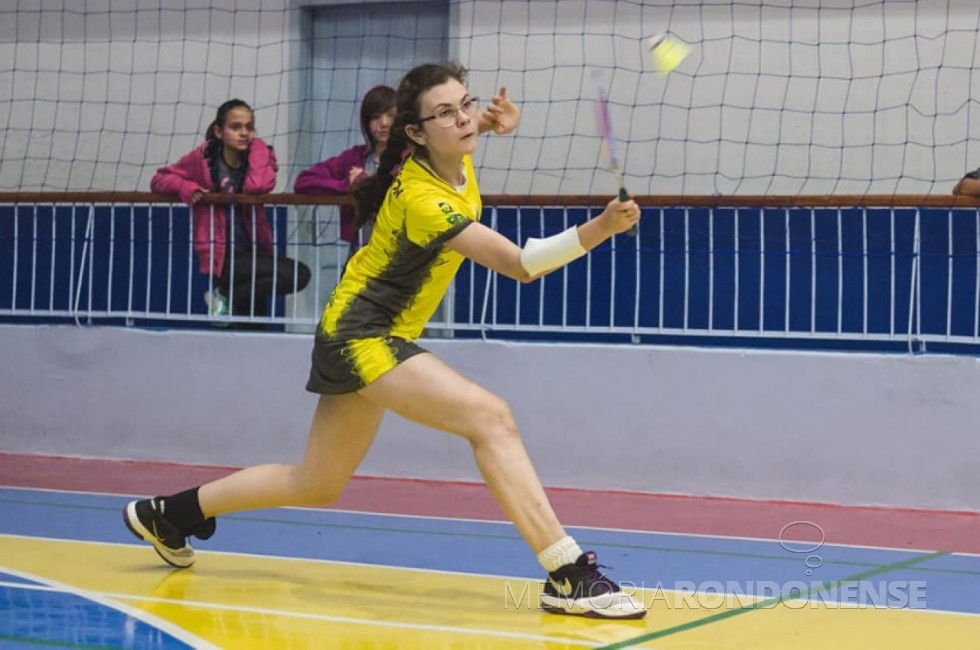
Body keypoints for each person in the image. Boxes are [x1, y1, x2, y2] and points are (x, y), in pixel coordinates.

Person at [125, 64, 644, 619]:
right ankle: (568, 574)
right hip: (362, 334)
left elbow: (463, 131)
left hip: (362, 330)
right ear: (416, 132)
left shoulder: (449, 155)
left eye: (465, 105)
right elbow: (521, 264)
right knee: (491, 419)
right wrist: (601, 228)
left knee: (316, 483)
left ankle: (170, 514)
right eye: (445, 113)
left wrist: (493, 125)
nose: (462, 118)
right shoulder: (424, 198)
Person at [151, 99, 311, 325]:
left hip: (254, 250)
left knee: (254, 322)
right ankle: (225, 296)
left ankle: (224, 297)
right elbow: (159, 179)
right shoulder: (203, 159)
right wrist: (185, 187)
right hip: (222, 256)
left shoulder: (257, 158)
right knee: (297, 273)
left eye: (249, 127)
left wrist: (258, 147)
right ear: (219, 131)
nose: (244, 133)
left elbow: (257, 185)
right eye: (236, 127)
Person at [294, 85, 397, 263]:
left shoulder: (410, 157)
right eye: (375, 117)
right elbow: (303, 182)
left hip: (400, 253)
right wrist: (346, 186)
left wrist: (364, 182)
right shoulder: (353, 158)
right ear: (366, 122)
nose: (384, 123)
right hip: (360, 252)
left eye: (391, 116)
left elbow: (398, 189)